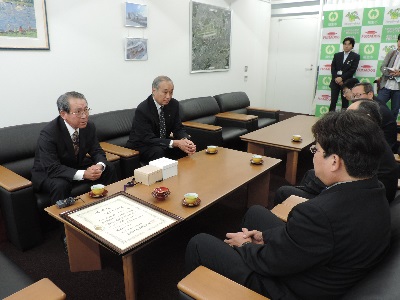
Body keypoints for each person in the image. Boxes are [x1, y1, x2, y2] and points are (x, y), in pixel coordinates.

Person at [185, 111, 391, 299]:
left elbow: (272, 263)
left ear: (334, 161)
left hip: (291, 289)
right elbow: (304, 243)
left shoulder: (318, 214)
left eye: (316, 150)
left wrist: (246, 245)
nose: (314, 155)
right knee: (256, 212)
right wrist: (263, 237)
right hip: (322, 268)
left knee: (199, 243)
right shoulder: (374, 188)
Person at [274, 100, 398, 205]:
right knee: (311, 174)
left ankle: (297, 200)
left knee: (283, 191)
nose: (345, 118)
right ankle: (305, 192)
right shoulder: (370, 137)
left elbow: (343, 175)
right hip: (365, 190)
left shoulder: (363, 143)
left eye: (350, 114)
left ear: (366, 117)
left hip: (357, 199)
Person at [31, 91, 118, 205]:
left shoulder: (89, 126)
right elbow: (52, 168)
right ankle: (62, 221)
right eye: (78, 112)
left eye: (86, 110)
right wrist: (83, 174)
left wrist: (99, 166)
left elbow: (96, 150)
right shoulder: (49, 133)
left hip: (74, 165)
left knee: (108, 168)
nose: (84, 116)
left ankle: (112, 205)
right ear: (63, 114)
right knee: (61, 185)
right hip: (49, 172)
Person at [126, 76, 196, 163]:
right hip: (142, 145)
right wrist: (176, 143)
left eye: (171, 92)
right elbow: (148, 138)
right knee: (158, 151)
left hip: (163, 143)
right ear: (154, 90)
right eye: (165, 92)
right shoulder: (143, 109)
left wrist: (185, 140)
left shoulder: (173, 104)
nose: (168, 96)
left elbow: (178, 128)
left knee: (186, 147)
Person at [352, 82, 397, 151]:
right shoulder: (370, 105)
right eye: (354, 96)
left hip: (383, 150)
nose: (355, 99)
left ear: (370, 94)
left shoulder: (378, 110)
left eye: (358, 95)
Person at [329, 37, 360, 111]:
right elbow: (333, 68)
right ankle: (329, 118)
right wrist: (337, 78)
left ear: (352, 46)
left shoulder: (355, 56)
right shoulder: (337, 55)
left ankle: (343, 119)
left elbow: (352, 70)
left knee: (345, 101)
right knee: (333, 101)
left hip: (346, 82)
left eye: (349, 44)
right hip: (335, 81)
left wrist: (342, 78)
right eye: (345, 44)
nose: (346, 46)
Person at [378, 34, 400, 119]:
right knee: (378, 105)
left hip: (398, 88)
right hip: (386, 85)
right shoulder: (391, 53)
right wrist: (389, 72)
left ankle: (391, 129)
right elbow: (382, 67)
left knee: (395, 110)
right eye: (399, 41)